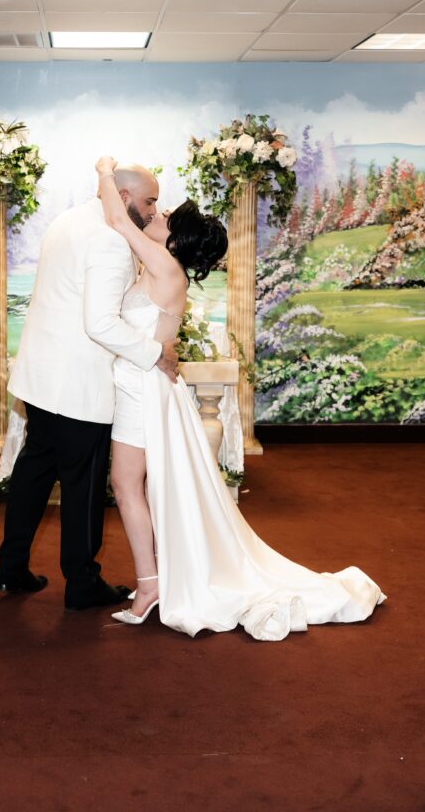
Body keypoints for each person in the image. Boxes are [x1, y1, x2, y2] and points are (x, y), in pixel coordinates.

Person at [96, 155, 386, 640]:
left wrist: (105, 171)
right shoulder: (160, 265)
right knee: (131, 486)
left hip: (142, 390)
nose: (155, 215)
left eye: (164, 217)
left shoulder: (165, 266)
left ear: (175, 239)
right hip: (143, 383)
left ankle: (151, 585)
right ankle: (152, 581)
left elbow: (113, 216)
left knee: (126, 486)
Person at [0, 166, 179, 610]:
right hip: (78, 385)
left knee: (34, 473)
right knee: (83, 487)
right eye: (150, 201)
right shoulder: (111, 240)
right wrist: (154, 353)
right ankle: (81, 583)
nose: (155, 210)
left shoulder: (69, 218)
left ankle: (10, 568)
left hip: (40, 376)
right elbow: (100, 324)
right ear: (122, 194)